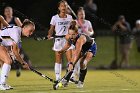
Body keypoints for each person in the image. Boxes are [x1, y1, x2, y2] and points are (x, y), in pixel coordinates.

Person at [54, 21, 97, 89]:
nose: (71, 36)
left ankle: (81, 82)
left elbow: (77, 52)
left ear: (77, 33)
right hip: (82, 48)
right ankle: (65, 80)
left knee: (82, 63)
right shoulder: (69, 37)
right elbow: (68, 45)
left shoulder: (80, 39)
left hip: (90, 47)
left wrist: (71, 63)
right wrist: (61, 51)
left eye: (73, 34)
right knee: (72, 62)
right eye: (70, 34)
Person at [0, 20, 35, 90]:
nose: (31, 33)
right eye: (30, 31)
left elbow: (6, 38)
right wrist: (23, 63)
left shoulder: (17, 31)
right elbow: (15, 52)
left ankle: (2, 83)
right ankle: (2, 84)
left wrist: (10, 51)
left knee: (6, 62)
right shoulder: (16, 33)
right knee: (8, 61)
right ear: (24, 27)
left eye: (32, 32)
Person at [47, 0, 73, 81]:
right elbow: (51, 29)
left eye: (65, 6)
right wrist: (49, 34)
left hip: (68, 40)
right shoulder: (55, 18)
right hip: (58, 40)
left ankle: (70, 77)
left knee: (70, 59)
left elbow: (73, 28)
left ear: (67, 7)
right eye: (62, 6)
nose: (63, 7)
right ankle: (58, 78)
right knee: (58, 59)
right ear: (59, 7)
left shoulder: (70, 17)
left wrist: (75, 25)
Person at [3, 6, 32, 77]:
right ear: (4, 13)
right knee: (10, 57)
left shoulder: (15, 19)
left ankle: (18, 65)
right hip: (7, 40)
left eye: (9, 11)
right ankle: (17, 66)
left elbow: (22, 28)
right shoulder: (4, 21)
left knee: (16, 53)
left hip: (15, 40)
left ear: (12, 12)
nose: (8, 13)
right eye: (6, 11)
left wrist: (26, 23)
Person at [70, 7, 94, 83]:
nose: (82, 15)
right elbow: (71, 31)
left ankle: (78, 74)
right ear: (77, 15)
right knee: (75, 57)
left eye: (83, 14)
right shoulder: (75, 22)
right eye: (80, 14)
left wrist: (88, 32)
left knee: (81, 61)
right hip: (77, 42)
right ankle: (73, 75)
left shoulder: (88, 22)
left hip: (86, 43)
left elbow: (91, 31)